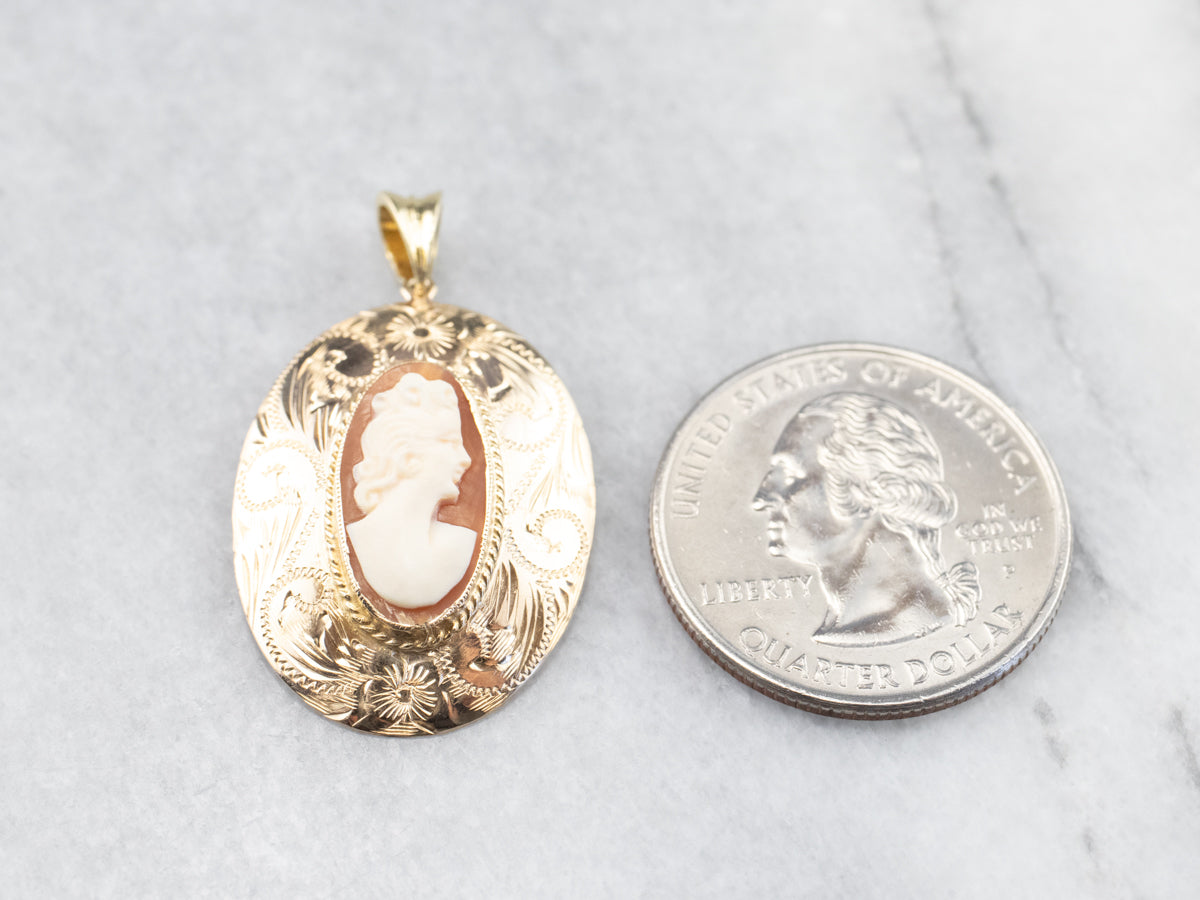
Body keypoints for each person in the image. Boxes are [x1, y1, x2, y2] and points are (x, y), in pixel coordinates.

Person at [752, 391, 980, 647]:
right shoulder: (842, 625)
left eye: (789, 474)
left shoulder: (911, 621)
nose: (761, 499)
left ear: (861, 489)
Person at [347, 372, 476, 610]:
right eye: (450, 443)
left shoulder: (459, 545)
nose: (465, 459)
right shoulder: (361, 541)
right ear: (408, 456)